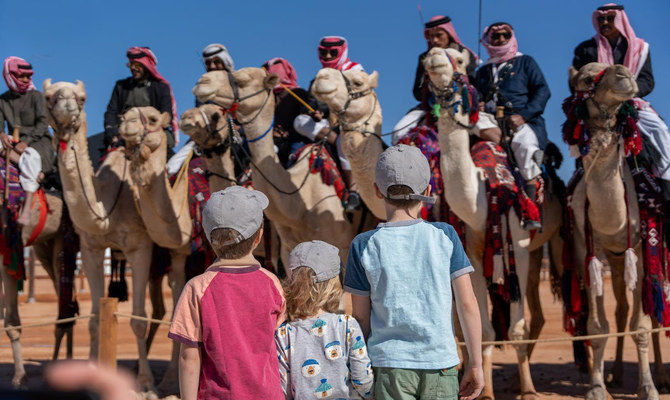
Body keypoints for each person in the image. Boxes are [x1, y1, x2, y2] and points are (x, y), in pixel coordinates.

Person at [344, 144, 484, 400]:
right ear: (428, 190)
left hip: (388, 366)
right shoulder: (446, 235)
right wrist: (476, 364)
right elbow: (467, 304)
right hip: (441, 364)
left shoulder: (363, 244)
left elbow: (361, 320)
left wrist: (355, 369)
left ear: (377, 190)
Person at [169, 186, 286, 400]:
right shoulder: (273, 283)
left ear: (207, 236)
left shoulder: (197, 288)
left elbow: (189, 358)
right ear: (259, 236)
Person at [572, 4, 670, 199]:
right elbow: (577, 80)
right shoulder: (585, 49)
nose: (605, 23)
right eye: (601, 19)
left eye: (609, 18)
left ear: (619, 20)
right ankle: (575, 191)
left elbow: (647, 80)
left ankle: (666, 187)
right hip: (597, 104)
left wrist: (628, 93)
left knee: (660, 132)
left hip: (630, 102)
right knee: (578, 136)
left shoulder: (641, 49)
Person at [475, 22, 550, 229]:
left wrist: (523, 116)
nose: (499, 39)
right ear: (488, 40)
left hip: (521, 119)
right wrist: (478, 102)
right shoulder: (483, 71)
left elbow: (543, 91)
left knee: (525, 146)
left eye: (504, 35)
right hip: (488, 120)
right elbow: (476, 95)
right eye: (495, 36)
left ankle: (531, 211)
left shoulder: (525, 62)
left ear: (511, 37)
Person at [276, 240, 374, 399]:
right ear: (334, 284)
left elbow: (283, 389)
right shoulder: (347, 325)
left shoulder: (283, 335)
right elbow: (363, 381)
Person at [393, 15, 478, 144]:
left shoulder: (463, 54)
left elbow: (472, 82)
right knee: (398, 131)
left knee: (489, 133)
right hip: (430, 106)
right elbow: (417, 92)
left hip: (462, 104)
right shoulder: (425, 57)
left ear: (448, 34)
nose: (435, 40)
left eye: (439, 35)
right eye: (431, 36)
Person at [0, 56, 55, 226]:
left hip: (38, 141)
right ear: (10, 75)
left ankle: (27, 210)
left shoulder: (36, 96)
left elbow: (42, 124)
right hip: (13, 141)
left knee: (31, 157)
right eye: (21, 76)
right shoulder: (2, 100)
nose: (25, 80)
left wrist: (27, 141)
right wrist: (1, 133)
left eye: (28, 77)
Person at [103, 46, 178, 155]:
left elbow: (166, 115)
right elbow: (111, 112)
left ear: (147, 65)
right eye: (131, 64)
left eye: (137, 65)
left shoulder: (161, 88)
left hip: (152, 133)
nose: (133, 68)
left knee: (173, 166)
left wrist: (147, 131)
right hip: (124, 132)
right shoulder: (121, 86)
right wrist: (110, 130)